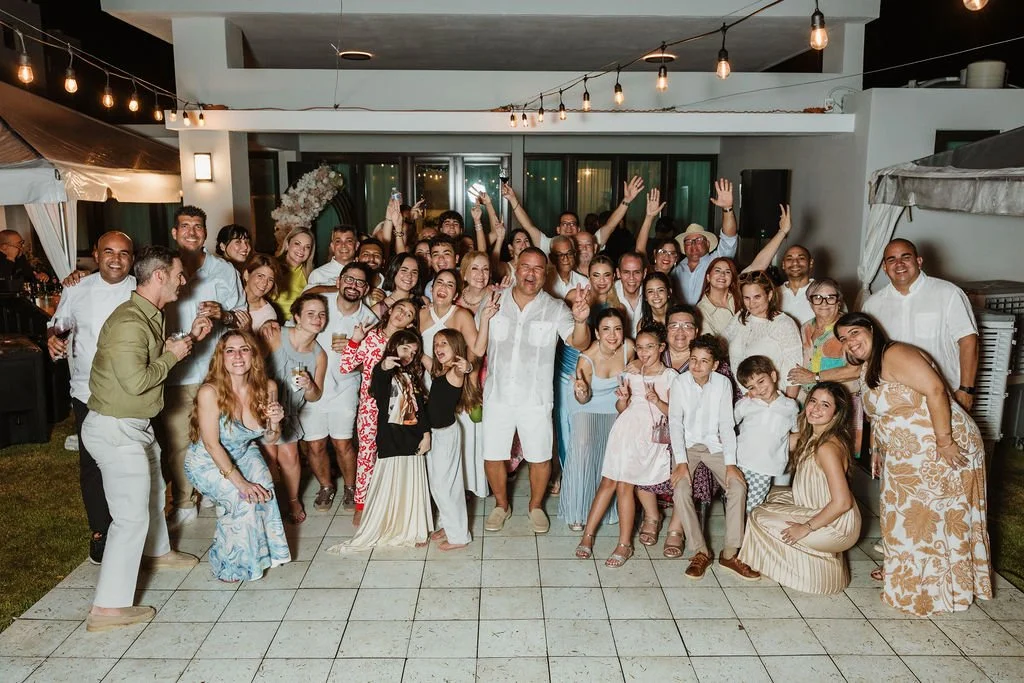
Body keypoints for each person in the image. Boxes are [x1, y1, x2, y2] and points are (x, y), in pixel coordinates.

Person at [80, 245, 212, 632]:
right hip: (115, 428)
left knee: (155, 491)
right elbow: (137, 380)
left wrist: (189, 340)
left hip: (134, 424)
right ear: (159, 277)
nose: (183, 280)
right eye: (178, 275)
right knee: (129, 517)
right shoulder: (129, 323)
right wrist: (173, 354)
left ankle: (158, 553)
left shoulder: (150, 312)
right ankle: (107, 609)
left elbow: (157, 358)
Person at [835, 312, 991, 616]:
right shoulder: (871, 363)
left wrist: (945, 442)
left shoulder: (895, 353)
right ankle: (907, 575)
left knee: (934, 518)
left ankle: (938, 589)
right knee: (909, 518)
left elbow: (935, 390)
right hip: (910, 455)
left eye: (854, 333)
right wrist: (878, 447)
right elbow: (883, 411)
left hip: (940, 448)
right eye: (843, 339)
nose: (850, 342)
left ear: (870, 329)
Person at [482, 247, 592, 534]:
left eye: (538, 269)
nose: (531, 273)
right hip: (497, 395)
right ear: (516, 268)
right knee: (493, 454)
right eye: (526, 267)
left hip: (536, 398)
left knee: (540, 457)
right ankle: (501, 505)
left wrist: (581, 319)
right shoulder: (494, 299)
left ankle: (535, 506)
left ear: (546, 274)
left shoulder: (555, 308)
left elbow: (578, 343)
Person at [46, 231, 135, 564]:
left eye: (123, 253)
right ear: (96, 256)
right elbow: (59, 324)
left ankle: (134, 526)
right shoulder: (76, 288)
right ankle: (100, 531)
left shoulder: (140, 289)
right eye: (108, 252)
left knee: (133, 458)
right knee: (92, 462)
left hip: (131, 392)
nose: (116, 259)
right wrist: (54, 338)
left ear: (133, 257)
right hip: (87, 391)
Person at [159, 206, 246, 528]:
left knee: (220, 435)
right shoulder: (163, 268)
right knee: (179, 440)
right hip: (177, 370)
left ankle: (217, 491)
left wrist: (223, 314)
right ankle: (184, 501)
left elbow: (240, 316)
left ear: (205, 232)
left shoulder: (223, 270)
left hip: (215, 370)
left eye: (198, 226)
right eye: (185, 226)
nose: (192, 232)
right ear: (174, 232)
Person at [184, 331, 290, 582]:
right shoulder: (209, 392)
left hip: (244, 451)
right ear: (221, 358)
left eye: (244, 349)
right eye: (229, 351)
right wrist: (241, 482)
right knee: (241, 497)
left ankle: (264, 555)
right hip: (207, 460)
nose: (238, 356)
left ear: (254, 355)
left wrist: (276, 423)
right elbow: (211, 444)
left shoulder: (269, 387)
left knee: (265, 489)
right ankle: (228, 565)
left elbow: (272, 438)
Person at [738, 382, 862, 594]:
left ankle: (789, 569)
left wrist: (806, 528)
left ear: (836, 413)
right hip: (812, 505)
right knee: (769, 497)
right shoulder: (812, 434)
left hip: (836, 525)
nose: (815, 409)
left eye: (825, 405)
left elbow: (843, 502)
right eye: (813, 401)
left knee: (758, 514)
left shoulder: (827, 448)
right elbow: (771, 439)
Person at [574, 326, 674, 567]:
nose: (643, 352)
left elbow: (675, 414)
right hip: (624, 431)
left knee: (624, 486)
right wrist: (623, 399)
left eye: (650, 346)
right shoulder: (631, 373)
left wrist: (657, 400)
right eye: (639, 347)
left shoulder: (670, 376)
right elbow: (622, 409)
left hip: (649, 437)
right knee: (608, 482)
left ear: (661, 348)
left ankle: (624, 544)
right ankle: (587, 535)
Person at [328, 329, 432, 551]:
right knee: (390, 485)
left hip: (412, 439)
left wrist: (426, 434)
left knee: (412, 486)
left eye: (414, 352)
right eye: (405, 348)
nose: (409, 355)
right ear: (393, 348)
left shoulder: (412, 376)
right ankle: (387, 524)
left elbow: (420, 409)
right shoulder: (382, 371)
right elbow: (376, 386)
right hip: (391, 440)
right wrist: (384, 366)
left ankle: (414, 528)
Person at [666, 335, 759, 581]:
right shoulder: (680, 383)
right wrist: (682, 463)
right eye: (693, 359)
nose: (697, 365)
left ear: (715, 365)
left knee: (737, 486)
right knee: (680, 489)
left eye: (704, 361)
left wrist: (730, 464)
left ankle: (730, 553)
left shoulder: (722, 383)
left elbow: (727, 425)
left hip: (715, 446)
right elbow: (674, 423)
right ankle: (700, 551)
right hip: (686, 448)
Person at [864, 238, 978, 410]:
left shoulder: (948, 293)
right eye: (891, 259)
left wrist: (966, 389)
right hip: (892, 399)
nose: (899, 264)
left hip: (944, 395)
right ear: (884, 267)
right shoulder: (872, 305)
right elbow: (868, 354)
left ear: (919, 261)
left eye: (906, 257)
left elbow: (969, 341)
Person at [302, 263, 377, 513]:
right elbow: (302, 305)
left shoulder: (369, 319)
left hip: (345, 387)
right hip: (312, 383)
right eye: (349, 279)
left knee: (343, 443)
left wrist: (352, 353)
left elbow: (370, 365)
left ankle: (350, 486)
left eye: (359, 282)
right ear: (339, 281)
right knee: (315, 444)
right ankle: (325, 486)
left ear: (366, 289)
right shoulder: (321, 300)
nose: (353, 286)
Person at [339, 299, 419, 524]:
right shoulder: (371, 337)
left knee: (396, 453)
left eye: (409, 314)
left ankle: (393, 502)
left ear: (411, 323)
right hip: (370, 406)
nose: (402, 314)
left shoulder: (408, 344)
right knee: (367, 453)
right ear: (390, 310)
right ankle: (362, 504)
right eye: (400, 309)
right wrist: (355, 340)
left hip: (398, 407)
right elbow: (346, 366)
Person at [560, 308, 632, 531]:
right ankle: (578, 512)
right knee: (583, 447)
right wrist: (581, 391)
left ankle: (605, 510)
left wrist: (638, 365)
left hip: (615, 406)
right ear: (597, 333)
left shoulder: (629, 348)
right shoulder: (586, 359)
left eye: (617, 329)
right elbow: (583, 398)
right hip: (587, 405)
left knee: (609, 453)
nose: (612, 335)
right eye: (606, 330)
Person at [262, 293, 328, 524]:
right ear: (297, 317)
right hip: (263, 408)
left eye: (321, 314)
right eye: (310, 313)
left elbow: (315, 396)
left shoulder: (319, 355)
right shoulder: (275, 335)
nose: (317, 318)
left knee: (290, 457)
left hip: (289, 412)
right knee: (268, 457)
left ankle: (292, 500)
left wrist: (310, 385)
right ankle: (267, 505)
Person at [786, 278, 863, 454]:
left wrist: (815, 377)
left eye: (830, 297)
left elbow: (856, 369)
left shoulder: (849, 329)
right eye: (817, 298)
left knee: (836, 458)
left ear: (839, 300)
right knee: (807, 457)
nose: (824, 303)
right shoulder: (805, 327)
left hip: (841, 407)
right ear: (810, 302)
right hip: (810, 406)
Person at [426, 329, 484, 551]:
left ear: (456, 348)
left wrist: (467, 367)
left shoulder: (455, 372)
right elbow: (425, 359)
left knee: (445, 486)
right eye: (436, 344)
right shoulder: (442, 371)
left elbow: (466, 367)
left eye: (444, 344)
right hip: (436, 433)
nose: (438, 347)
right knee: (437, 485)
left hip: (445, 435)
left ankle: (459, 535)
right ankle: (446, 525)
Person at [734, 356, 800, 514]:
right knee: (735, 502)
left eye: (761, 381)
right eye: (751, 387)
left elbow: (796, 433)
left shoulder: (790, 406)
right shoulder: (746, 404)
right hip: (739, 461)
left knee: (752, 507)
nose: (759, 389)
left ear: (773, 376)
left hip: (764, 466)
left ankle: (749, 535)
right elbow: (727, 424)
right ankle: (737, 534)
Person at [724, 270, 803, 399]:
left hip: (773, 400)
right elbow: (720, 344)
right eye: (747, 298)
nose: (751, 303)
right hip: (744, 398)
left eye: (757, 297)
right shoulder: (740, 317)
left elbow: (794, 374)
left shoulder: (784, 324)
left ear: (770, 295)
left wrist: (786, 407)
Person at [669, 179, 739, 305]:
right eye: (688, 241)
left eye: (699, 240)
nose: (694, 244)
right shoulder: (676, 269)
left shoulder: (717, 260)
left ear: (708, 244)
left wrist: (727, 208)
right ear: (683, 247)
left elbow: (729, 238)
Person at [272, 227, 315, 316]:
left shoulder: (312, 275)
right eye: (297, 244)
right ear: (287, 245)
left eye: (307, 247)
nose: (302, 250)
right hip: (271, 323)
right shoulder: (272, 267)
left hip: (299, 325)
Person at [304, 225, 358, 294]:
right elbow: (304, 299)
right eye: (338, 241)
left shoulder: (363, 273)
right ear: (332, 246)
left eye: (349, 241)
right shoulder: (318, 274)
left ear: (356, 245)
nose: (343, 245)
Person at [241, 254, 281, 337]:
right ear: (246, 275)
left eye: (270, 280)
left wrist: (248, 331)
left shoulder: (268, 315)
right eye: (260, 276)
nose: (264, 283)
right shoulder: (230, 294)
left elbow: (262, 349)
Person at [779, 244, 815, 325]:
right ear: (783, 265)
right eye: (789, 259)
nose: (795, 262)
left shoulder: (825, 292)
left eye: (801, 258)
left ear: (811, 263)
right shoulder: (773, 295)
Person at [614, 252, 646, 337]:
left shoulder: (652, 293)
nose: (631, 277)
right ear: (618, 273)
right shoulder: (608, 293)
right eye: (626, 272)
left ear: (644, 273)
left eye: (637, 272)